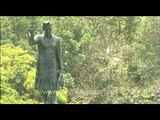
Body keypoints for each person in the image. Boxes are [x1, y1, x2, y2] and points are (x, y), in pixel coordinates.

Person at [28, 21, 63, 104]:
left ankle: (53, 100)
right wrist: (31, 33)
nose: (48, 31)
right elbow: (31, 43)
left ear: (51, 29)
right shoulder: (39, 37)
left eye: (49, 29)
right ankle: (44, 101)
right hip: (42, 64)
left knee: (53, 85)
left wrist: (61, 68)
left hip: (53, 64)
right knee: (43, 85)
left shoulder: (57, 40)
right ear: (43, 29)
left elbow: (59, 54)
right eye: (46, 29)